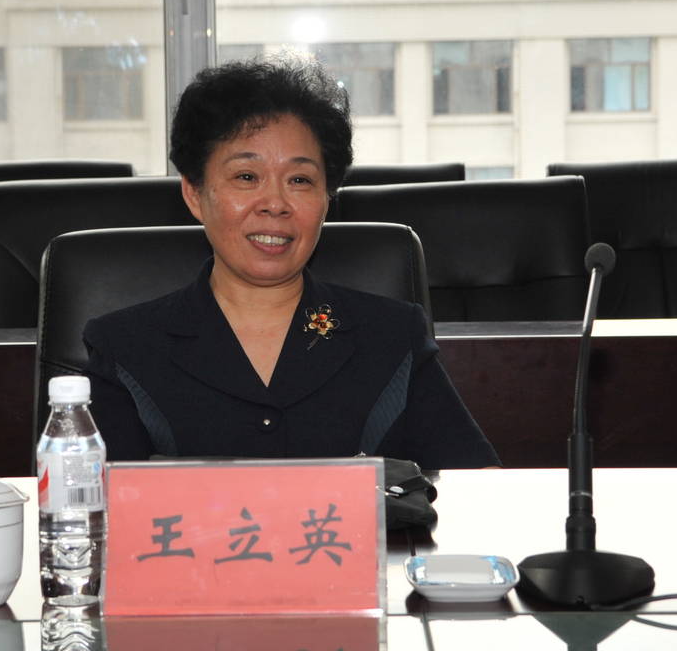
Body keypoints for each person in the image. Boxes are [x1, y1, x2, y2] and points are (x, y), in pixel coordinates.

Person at [82, 53, 500, 469]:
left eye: (300, 180)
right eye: (247, 177)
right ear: (195, 194)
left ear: (326, 200)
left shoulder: (391, 336)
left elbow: (476, 487)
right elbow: (94, 501)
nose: (275, 204)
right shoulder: (126, 347)